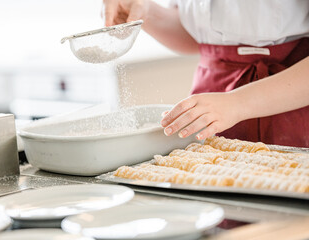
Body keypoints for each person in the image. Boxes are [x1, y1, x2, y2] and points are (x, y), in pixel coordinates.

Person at [103, 0, 309, 147]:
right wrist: (145, 12)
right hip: (212, 105)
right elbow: (199, 36)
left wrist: (236, 103)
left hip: (292, 105)